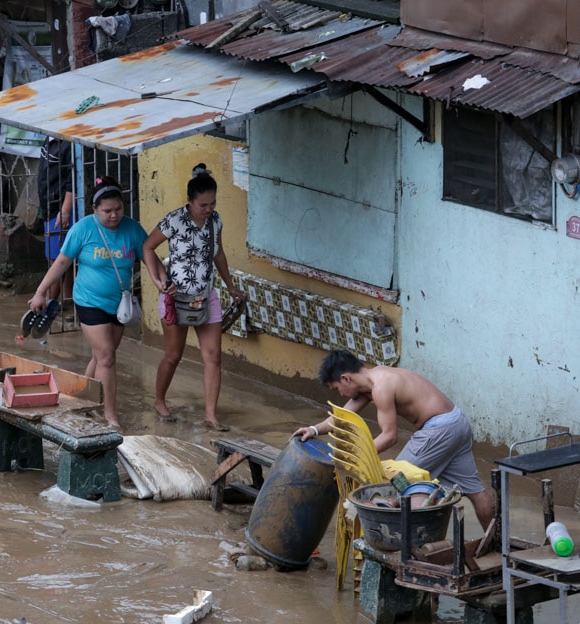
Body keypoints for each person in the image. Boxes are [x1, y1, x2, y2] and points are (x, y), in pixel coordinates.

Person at [293, 349, 495, 529]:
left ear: (346, 379)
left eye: (337, 388)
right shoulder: (374, 378)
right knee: (475, 492)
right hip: (457, 422)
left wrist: (357, 460)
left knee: (394, 480)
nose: (340, 393)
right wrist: (314, 429)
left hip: (439, 429)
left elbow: (389, 436)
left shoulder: (381, 388)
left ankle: (403, 543)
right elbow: (343, 416)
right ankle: (496, 543)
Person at [27, 176, 148, 428]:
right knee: (106, 357)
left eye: (118, 209)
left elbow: (150, 257)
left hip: (119, 304)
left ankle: (81, 397)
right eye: (107, 211)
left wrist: (164, 284)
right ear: (95, 209)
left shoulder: (133, 229)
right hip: (89, 301)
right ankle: (110, 415)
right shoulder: (83, 229)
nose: (114, 216)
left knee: (103, 355)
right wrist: (41, 292)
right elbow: (61, 262)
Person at [142, 164, 246, 432]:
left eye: (212, 203)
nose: (208, 208)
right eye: (202, 204)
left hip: (206, 295)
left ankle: (210, 415)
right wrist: (158, 280)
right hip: (176, 297)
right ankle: (159, 400)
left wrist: (230, 286)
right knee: (174, 355)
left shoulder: (216, 220)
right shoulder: (174, 220)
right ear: (190, 201)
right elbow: (148, 247)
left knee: (213, 356)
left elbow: (218, 254)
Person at [37, 136, 74, 302]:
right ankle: (68, 300)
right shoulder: (49, 138)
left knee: (57, 260)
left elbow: (71, 180)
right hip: (49, 206)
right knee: (62, 258)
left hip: (60, 210)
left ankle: (49, 303)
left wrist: (65, 210)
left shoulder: (68, 144)